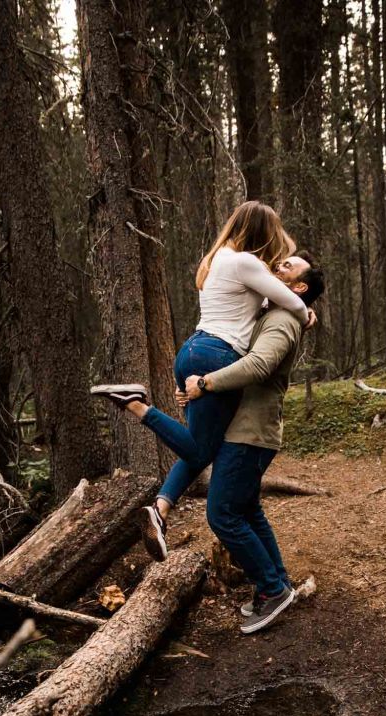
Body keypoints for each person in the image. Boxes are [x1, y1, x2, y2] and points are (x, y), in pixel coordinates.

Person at [90, 200, 313, 560]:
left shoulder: (217, 259)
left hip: (192, 350)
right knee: (200, 450)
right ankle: (137, 405)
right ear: (262, 234)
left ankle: (161, 509)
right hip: (218, 356)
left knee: (201, 445)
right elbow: (295, 305)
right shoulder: (246, 262)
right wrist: (306, 314)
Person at [183, 256, 325, 635]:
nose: (277, 266)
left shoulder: (281, 320)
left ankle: (271, 590)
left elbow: (259, 365)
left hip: (250, 432)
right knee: (247, 509)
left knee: (222, 513)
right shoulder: (276, 311)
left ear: (299, 289)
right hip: (250, 429)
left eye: (288, 267)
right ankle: (278, 582)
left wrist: (206, 383)